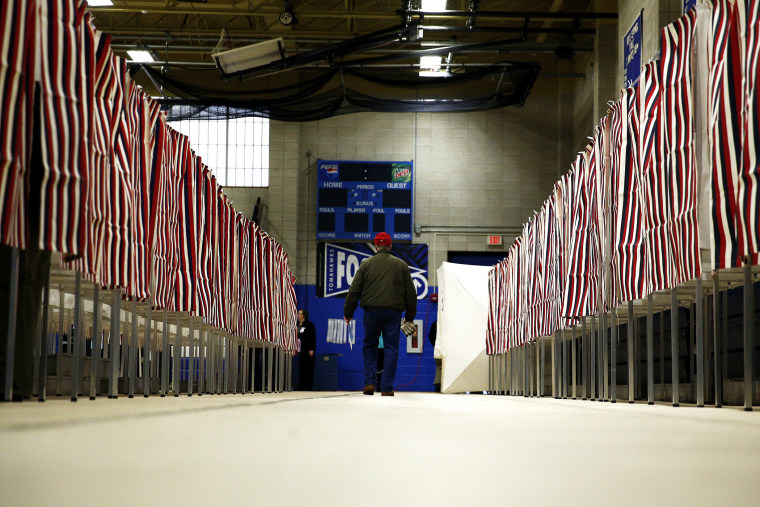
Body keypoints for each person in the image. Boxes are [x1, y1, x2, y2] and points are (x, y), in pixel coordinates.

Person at [344, 232, 416, 396]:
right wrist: (410, 317)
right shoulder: (401, 265)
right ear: (390, 246)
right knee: (391, 348)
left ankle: (369, 384)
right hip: (393, 311)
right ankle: (387, 388)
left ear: (376, 247)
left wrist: (348, 312)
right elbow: (411, 293)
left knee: (370, 346)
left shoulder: (366, 264)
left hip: (371, 311)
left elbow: (354, 290)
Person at [297, 309, 316, 390]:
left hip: (307, 349)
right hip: (300, 350)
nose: (298, 315)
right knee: (301, 368)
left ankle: (308, 386)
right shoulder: (297, 325)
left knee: (308, 368)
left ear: (304, 315)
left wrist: (311, 348)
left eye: (300, 314)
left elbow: (312, 337)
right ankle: (301, 385)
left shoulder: (309, 325)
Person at [428, 320, 441, 393]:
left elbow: (430, 336)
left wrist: (435, 345)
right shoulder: (450, 324)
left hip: (438, 349)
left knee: (439, 367)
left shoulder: (436, 323)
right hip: (448, 350)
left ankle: (438, 385)